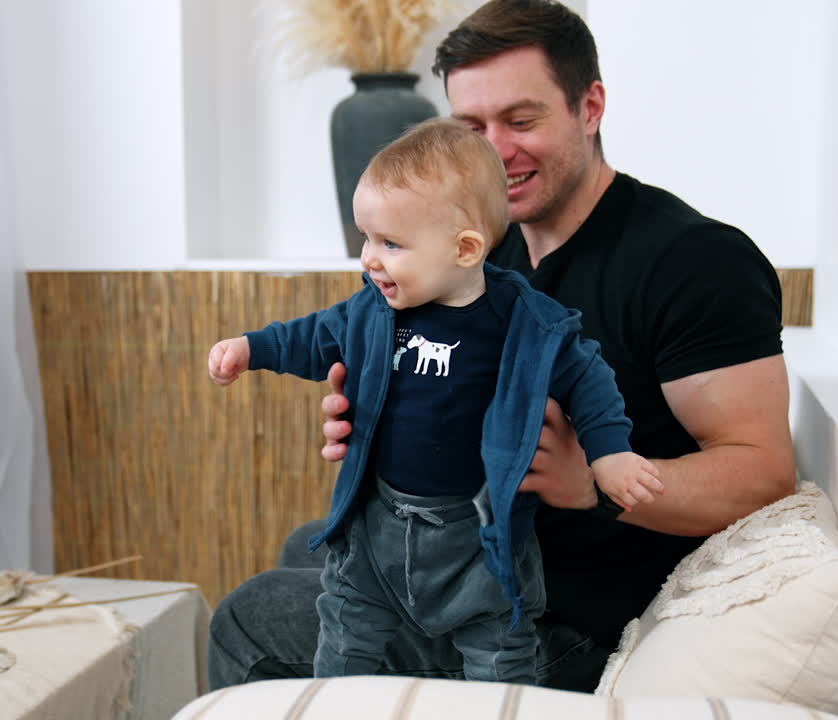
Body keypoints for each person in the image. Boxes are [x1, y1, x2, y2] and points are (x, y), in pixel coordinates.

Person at [209, 0, 796, 691]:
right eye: (471, 126)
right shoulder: (476, 255)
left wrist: (591, 486)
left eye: (521, 120)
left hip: (563, 617)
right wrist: (372, 408)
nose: (494, 151)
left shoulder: (693, 261)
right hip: (474, 543)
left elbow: (764, 474)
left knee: (246, 617)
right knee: (305, 548)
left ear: (590, 106)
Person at [207, 117, 662, 684]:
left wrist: (609, 453)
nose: (370, 259)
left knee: (498, 645)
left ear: (465, 249)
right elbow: (311, 336)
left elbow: (588, 379)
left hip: (476, 528)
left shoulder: (525, 323)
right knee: (346, 625)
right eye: (367, 239)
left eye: (390, 244)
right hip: (381, 516)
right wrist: (250, 348)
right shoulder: (374, 310)